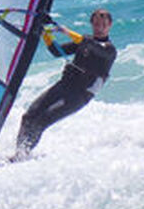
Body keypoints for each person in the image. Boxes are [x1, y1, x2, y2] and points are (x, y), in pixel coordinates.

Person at [14, 8, 116, 159]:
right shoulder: (85, 42)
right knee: (29, 116)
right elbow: (57, 51)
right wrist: (45, 34)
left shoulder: (110, 50)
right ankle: (18, 153)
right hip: (64, 86)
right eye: (96, 24)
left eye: (103, 25)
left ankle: (23, 155)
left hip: (79, 96)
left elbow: (92, 46)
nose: (99, 28)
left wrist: (66, 31)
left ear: (110, 26)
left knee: (41, 121)